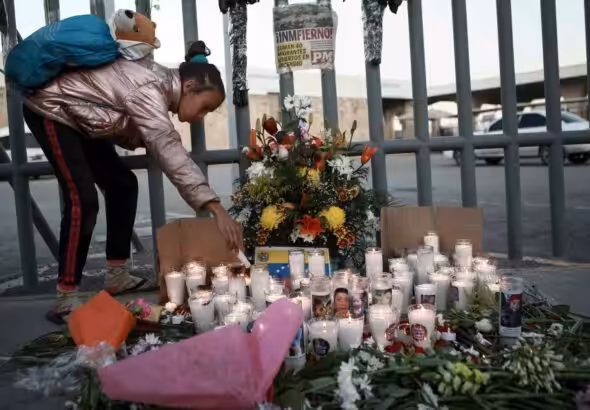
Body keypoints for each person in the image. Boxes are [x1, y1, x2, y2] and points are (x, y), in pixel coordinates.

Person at [22, 41, 242, 324]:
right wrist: (216, 208)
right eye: (204, 108)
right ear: (188, 87)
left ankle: (117, 275)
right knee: (82, 199)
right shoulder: (151, 88)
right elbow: (168, 147)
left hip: (81, 119)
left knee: (123, 185)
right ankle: (66, 296)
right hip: (52, 108)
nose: (201, 118)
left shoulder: (158, 88)